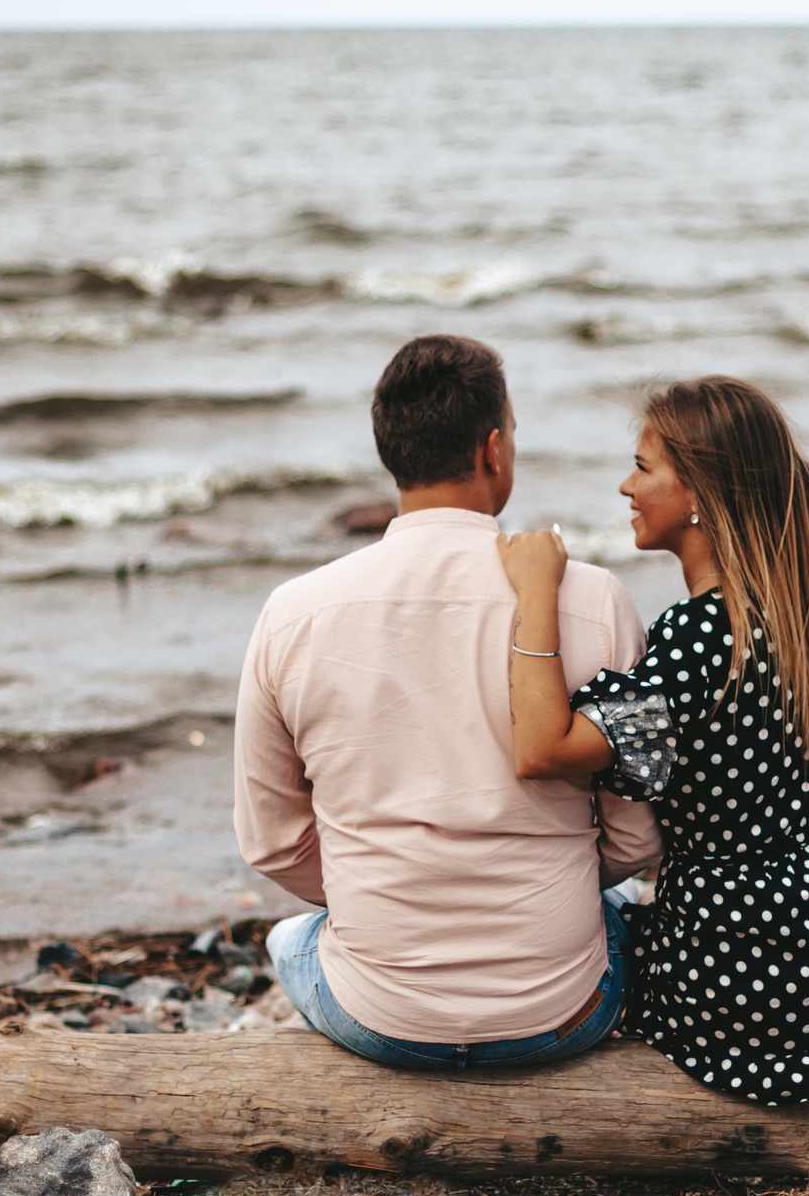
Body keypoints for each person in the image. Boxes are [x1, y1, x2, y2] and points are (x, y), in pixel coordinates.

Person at [496, 375, 809, 1106]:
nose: (626, 485)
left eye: (643, 466)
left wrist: (537, 588)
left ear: (699, 490)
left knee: (572, 927)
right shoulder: (789, 606)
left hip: (741, 976)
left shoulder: (698, 636)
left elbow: (543, 748)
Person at [233, 333, 660, 1069]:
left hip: (381, 1015)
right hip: (561, 1009)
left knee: (286, 939)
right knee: (618, 917)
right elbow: (636, 838)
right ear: (493, 449)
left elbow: (271, 841)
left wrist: (398, 884)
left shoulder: (292, 611)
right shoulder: (592, 600)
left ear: (390, 452)